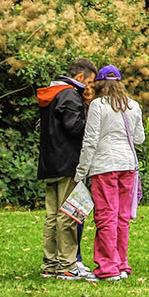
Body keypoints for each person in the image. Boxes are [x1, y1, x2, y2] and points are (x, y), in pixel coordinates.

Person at [75, 64, 145, 282]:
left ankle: (108, 268)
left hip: (104, 166)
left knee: (106, 215)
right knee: (122, 217)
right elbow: (139, 138)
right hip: (128, 165)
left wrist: (81, 172)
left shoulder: (98, 105)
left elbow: (90, 141)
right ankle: (121, 264)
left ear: (100, 84)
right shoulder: (133, 105)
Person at [36, 57, 97, 280]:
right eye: (89, 82)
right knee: (68, 214)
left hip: (50, 163)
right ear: (80, 77)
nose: (89, 87)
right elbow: (74, 128)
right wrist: (89, 120)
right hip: (67, 163)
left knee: (52, 215)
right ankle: (67, 264)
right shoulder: (70, 95)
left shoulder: (51, 93)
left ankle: (50, 263)